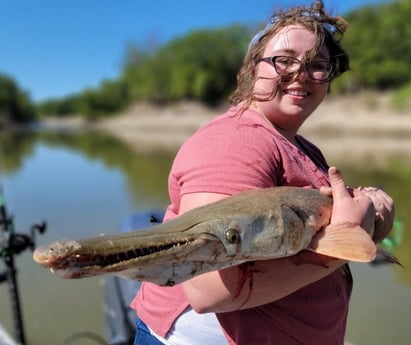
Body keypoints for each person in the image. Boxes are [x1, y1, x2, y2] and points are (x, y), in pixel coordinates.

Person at [131, 2, 395, 344]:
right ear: (253, 66)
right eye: (283, 59)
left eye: (317, 65)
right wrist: (348, 239)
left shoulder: (300, 146)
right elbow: (208, 290)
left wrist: (371, 211)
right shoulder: (237, 141)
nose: (300, 73)